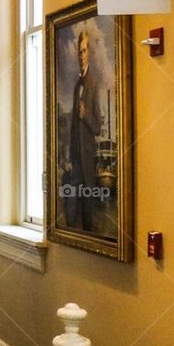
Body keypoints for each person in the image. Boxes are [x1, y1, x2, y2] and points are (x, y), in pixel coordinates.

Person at [65, 28, 101, 231]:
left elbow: (97, 128)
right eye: (79, 52)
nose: (82, 56)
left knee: (88, 204)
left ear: (90, 53)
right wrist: (70, 157)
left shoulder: (93, 85)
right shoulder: (77, 84)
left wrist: (85, 115)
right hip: (76, 158)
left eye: (85, 51)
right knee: (71, 202)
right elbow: (72, 127)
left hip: (87, 158)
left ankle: (88, 233)